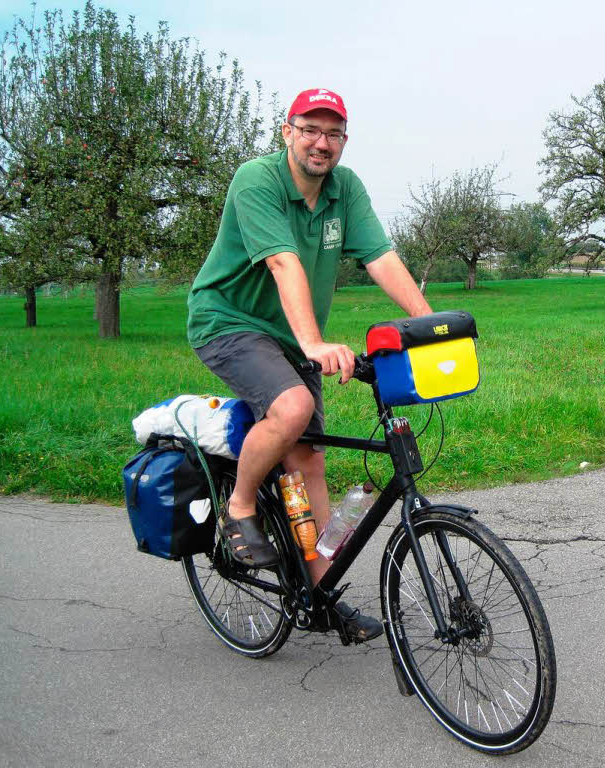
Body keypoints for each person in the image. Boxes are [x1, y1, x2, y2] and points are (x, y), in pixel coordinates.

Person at [187, 88, 432, 641]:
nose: (322, 143)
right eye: (310, 130)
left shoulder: (345, 190)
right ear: (288, 132)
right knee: (293, 405)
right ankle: (240, 505)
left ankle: (321, 594)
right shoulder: (257, 180)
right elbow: (282, 261)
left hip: (291, 335)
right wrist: (315, 343)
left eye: (333, 133)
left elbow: (382, 258)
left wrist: (427, 324)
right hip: (229, 322)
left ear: (344, 139)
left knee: (309, 460)